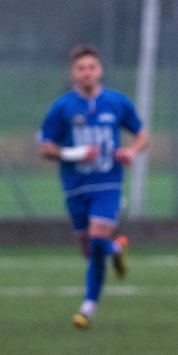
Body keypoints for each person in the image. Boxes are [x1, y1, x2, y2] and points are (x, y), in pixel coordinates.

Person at [38, 45, 149, 329]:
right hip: (75, 187)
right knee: (90, 250)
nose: (86, 73)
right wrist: (73, 154)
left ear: (99, 71)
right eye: (80, 68)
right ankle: (115, 250)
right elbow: (45, 148)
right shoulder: (62, 107)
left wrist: (131, 152)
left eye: (91, 67)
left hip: (107, 184)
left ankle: (88, 307)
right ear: (73, 73)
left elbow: (142, 135)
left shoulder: (116, 102)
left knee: (96, 241)